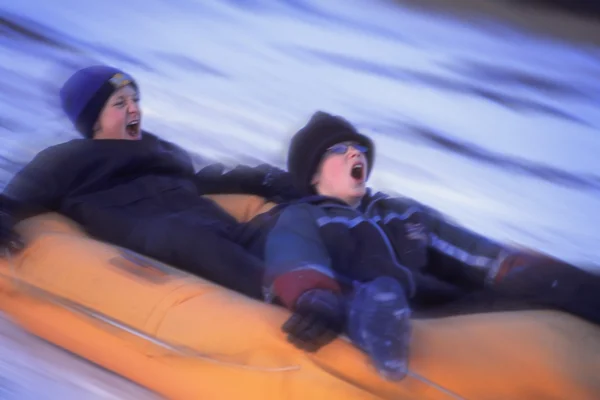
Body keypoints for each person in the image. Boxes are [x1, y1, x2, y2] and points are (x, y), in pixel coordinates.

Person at [243, 111, 600, 380]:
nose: (355, 155)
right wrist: (315, 298)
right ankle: (377, 331)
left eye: (359, 149)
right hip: (365, 299)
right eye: (340, 150)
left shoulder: (401, 212)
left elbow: (471, 251)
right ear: (313, 174)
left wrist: (522, 271)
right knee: (375, 295)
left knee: (559, 282)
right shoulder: (305, 216)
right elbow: (293, 256)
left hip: (437, 305)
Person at [0, 65, 297, 299]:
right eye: (120, 103)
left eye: (135, 100)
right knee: (190, 237)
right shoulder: (69, 158)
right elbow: (17, 196)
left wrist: (265, 178)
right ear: (94, 121)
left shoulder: (158, 149)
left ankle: (330, 286)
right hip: (168, 237)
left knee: (287, 230)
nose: (134, 109)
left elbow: (203, 180)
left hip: (218, 227)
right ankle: (287, 296)